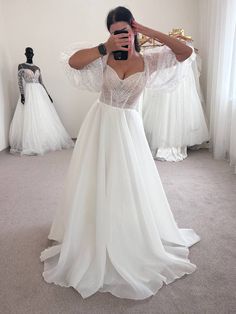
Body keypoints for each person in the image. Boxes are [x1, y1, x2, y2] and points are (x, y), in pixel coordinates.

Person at [40, 6, 200, 300]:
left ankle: (126, 232)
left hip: (129, 130)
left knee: (127, 184)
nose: (121, 37)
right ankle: (91, 230)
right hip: (100, 125)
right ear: (110, 33)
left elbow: (185, 53)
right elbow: (73, 63)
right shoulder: (102, 56)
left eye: (125, 30)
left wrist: (148, 32)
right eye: (116, 32)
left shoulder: (149, 61)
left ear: (133, 29)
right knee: (95, 181)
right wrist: (105, 47)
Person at [9, 47, 74, 155]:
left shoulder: (37, 67)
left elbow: (41, 82)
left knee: (41, 115)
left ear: (33, 54)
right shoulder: (21, 66)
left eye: (31, 53)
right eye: (27, 53)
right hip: (28, 92)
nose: (29, 54)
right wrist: (22, 95)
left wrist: (48, 95)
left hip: (39, 94)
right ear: (25, 54)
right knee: (29, 116)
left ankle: (43, 140)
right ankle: (30, 142)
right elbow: (19, 82)